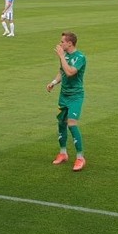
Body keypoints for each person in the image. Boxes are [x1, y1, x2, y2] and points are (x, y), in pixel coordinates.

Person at [47, 31, 87, 172]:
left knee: (72, 124)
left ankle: (80, 158)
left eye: (62, 42)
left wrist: (61, 57)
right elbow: (62, 72)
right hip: (64, 95)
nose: (60, 44)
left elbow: (70, 72)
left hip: (75, 96)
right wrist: (53, 82)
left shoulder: (80, 57)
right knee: (61, 123)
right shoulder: (65, 56)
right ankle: (63, 153)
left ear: (70, 43)